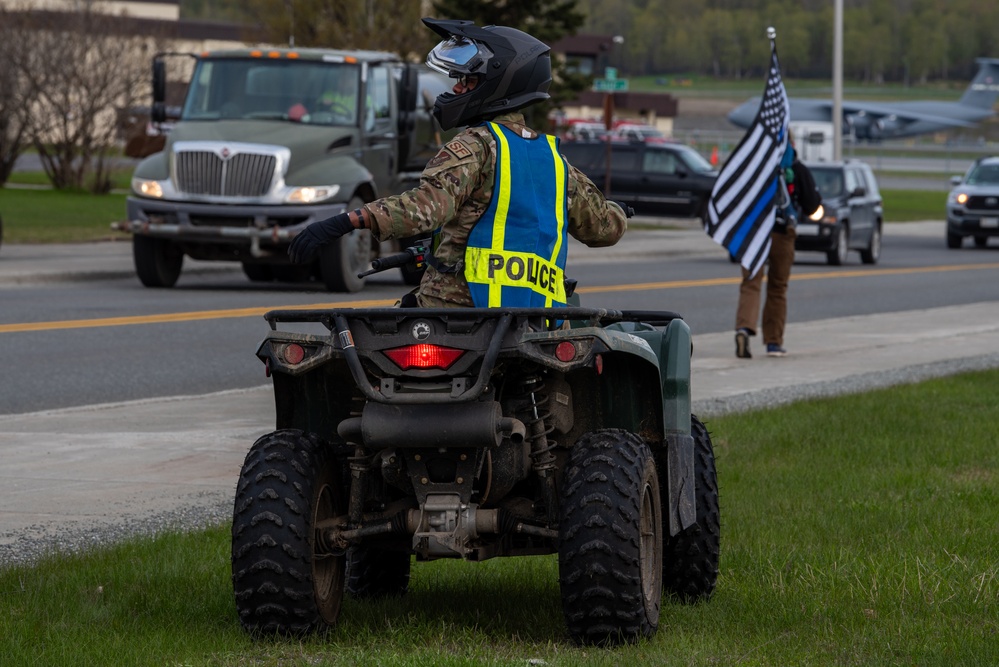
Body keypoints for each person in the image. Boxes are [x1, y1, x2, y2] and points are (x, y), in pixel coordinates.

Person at [288, 18, 629, 308]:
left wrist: (348, 220)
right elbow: (604, 228)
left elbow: (426, 208)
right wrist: (615, 209)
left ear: (497, 84)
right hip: (534, 318)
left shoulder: (475, 146)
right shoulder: (556, 162)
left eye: (466, 80)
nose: (455, 88)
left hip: (456, 309)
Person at [734, 135, 821, 358]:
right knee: (777, 288)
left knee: (751, 283)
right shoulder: (795, 168)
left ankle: (744, 328)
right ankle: (773, 342)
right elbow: (812, 205)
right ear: (791, 143)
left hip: (754, 233)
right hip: (783, 233)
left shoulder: (755, 165)